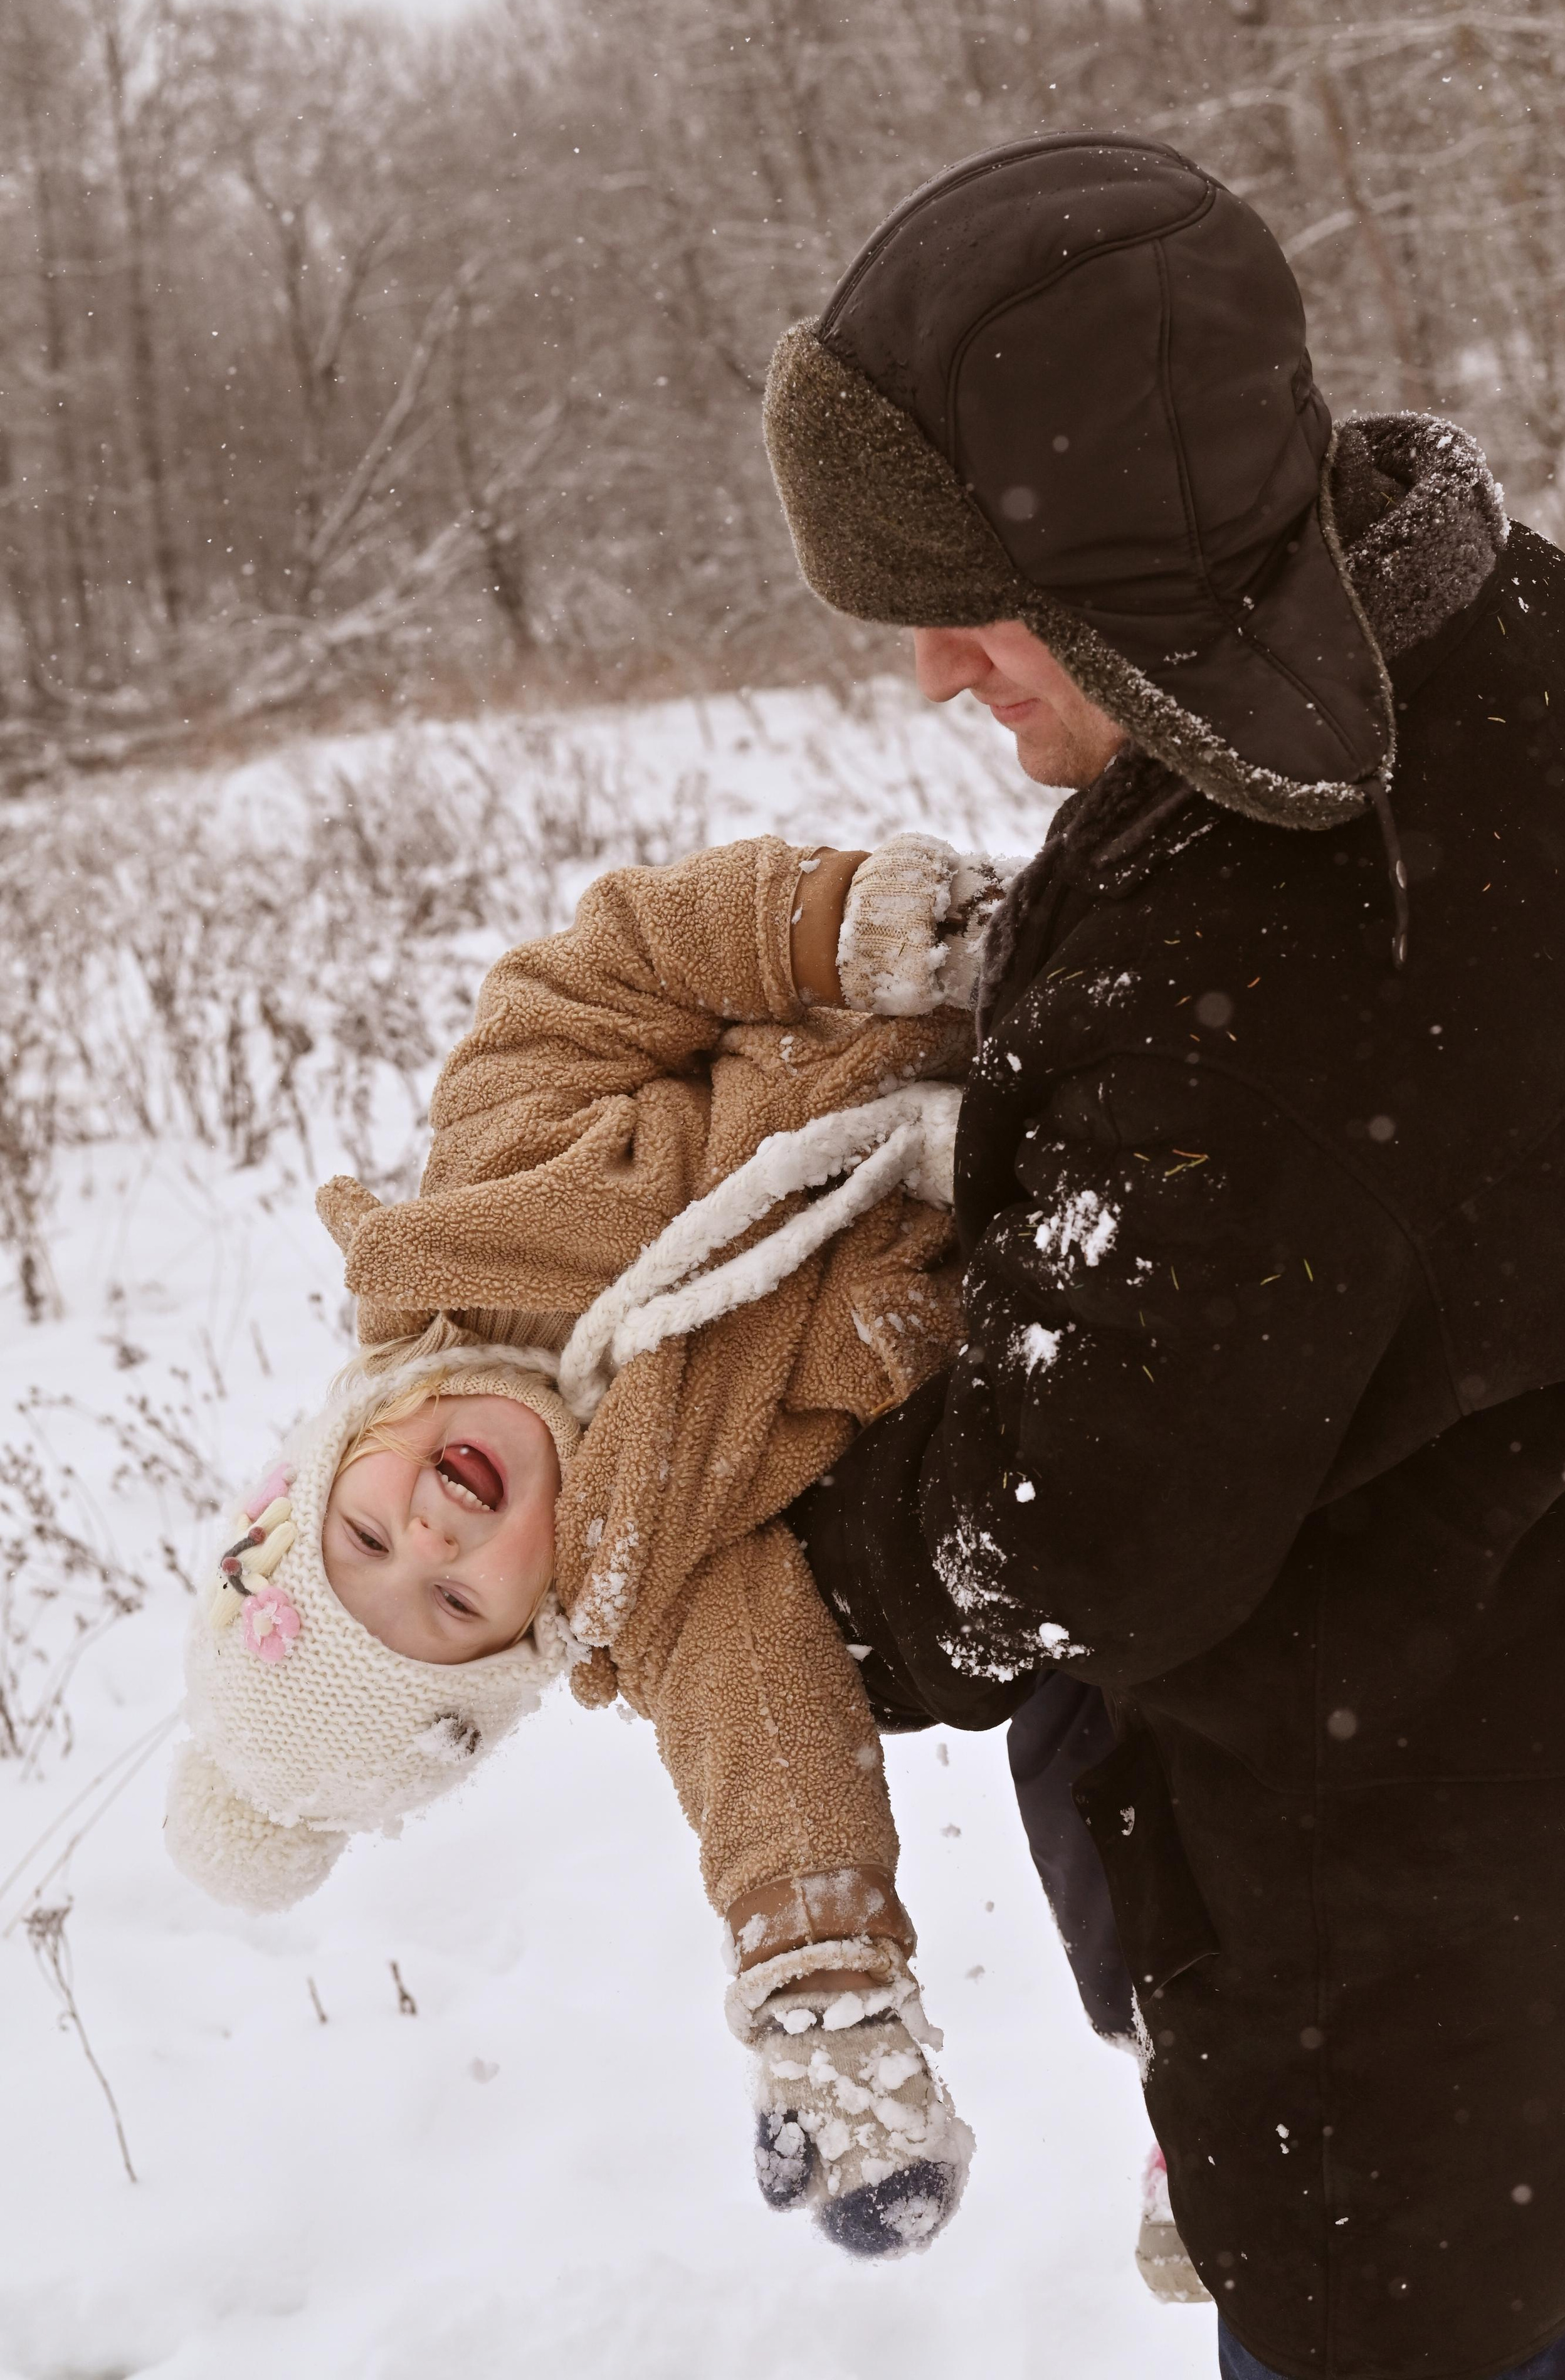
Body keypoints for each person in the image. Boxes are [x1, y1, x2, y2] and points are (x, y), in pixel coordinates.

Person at [765, 131, 1565, 2379]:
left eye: (969, 596)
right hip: (1532, 1777)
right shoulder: (1507, 627)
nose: (933, 674)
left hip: (1392, 1938)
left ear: (1129, 551)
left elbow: (1065, 1534)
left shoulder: (1250, 954)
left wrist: (769, 1530)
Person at [166, 829, 1030, 2258]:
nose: (431, 1534)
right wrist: (826, 1995)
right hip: (1017, 1234)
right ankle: (1210, 2073)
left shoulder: (482, 1191)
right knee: (1110, 1733)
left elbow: (603, 972)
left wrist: (826, 929)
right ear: (523, 1639)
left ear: (336, 1452)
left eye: (364, 1532)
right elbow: (765, 1750)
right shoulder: (648, 1564)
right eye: (450, 1604)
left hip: (953, 999)